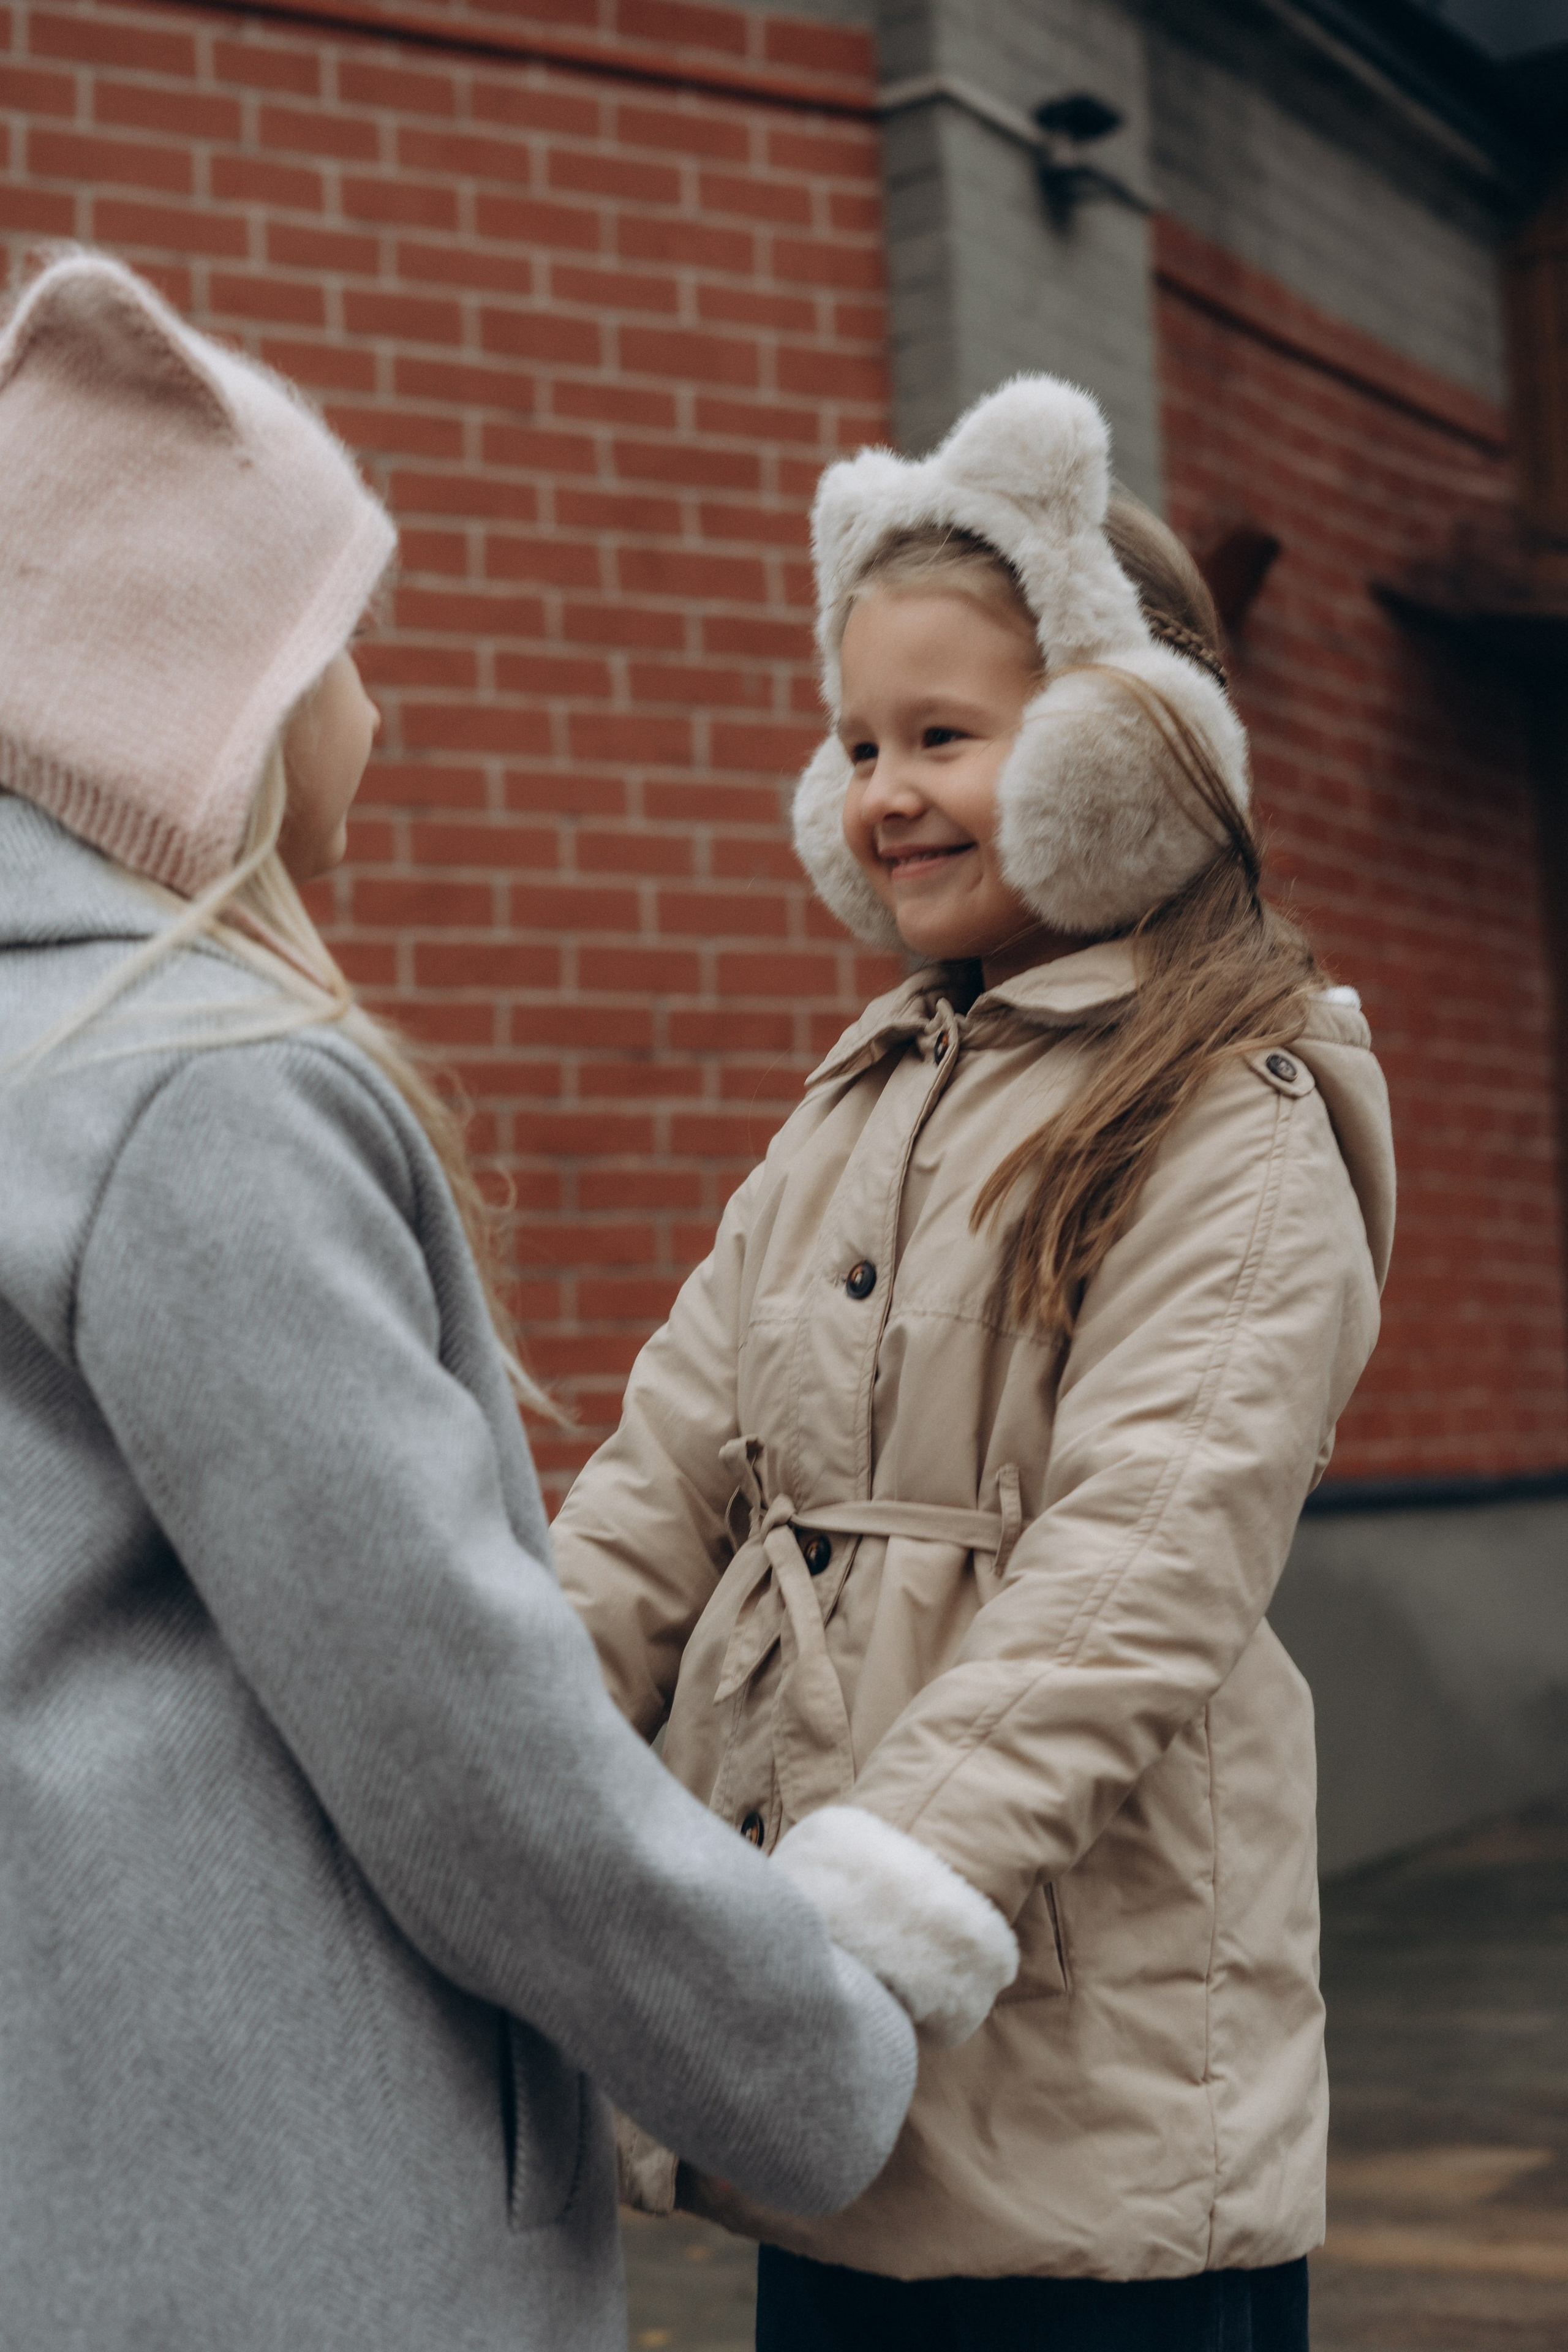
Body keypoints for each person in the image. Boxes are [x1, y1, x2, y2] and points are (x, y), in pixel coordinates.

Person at [0, 251, 994, 2349]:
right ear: (214, 698)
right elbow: (459, 1742)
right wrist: (812, 2047)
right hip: (285, 2235)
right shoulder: (191, 1095)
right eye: (340, 645)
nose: (375, 706)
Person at [553, 375, 1397, 2350]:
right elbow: (661, 1481)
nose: (884, 794)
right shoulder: (854, 1106)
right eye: (858, 746)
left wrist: (883, 1896)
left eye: (944, 736)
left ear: (1124, 751)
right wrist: (504, 1751)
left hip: (1082, 2112)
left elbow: (1143, 1564)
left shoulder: (1232, 1110)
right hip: (837, 2090)